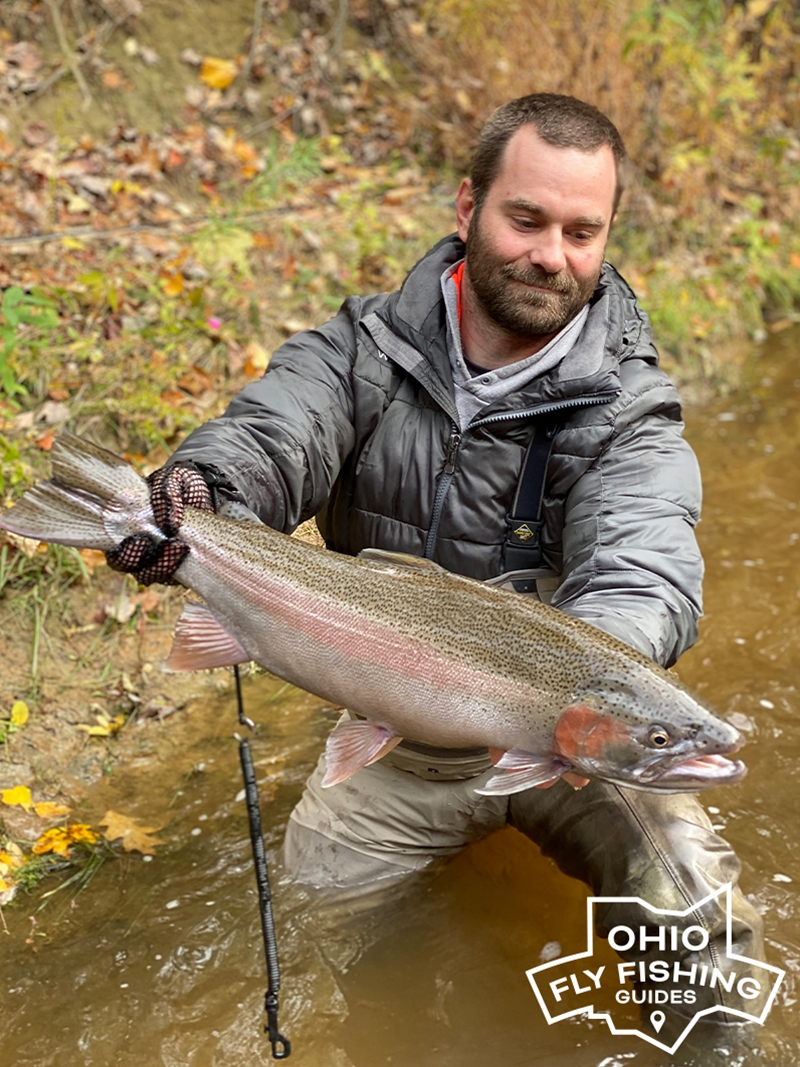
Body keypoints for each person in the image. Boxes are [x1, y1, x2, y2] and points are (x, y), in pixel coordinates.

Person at [108, 93, 769, 1045]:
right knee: (330, 922)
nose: (554, 255)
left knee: (695, 922)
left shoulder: (630, 408)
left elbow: (646, 559)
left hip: (581, 743)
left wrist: (597, 692)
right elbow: (271, 436)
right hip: (403, 730)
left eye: (583, 232)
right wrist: (199, 495)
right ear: (468, 208)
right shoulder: (357, 353)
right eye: (527, 218)